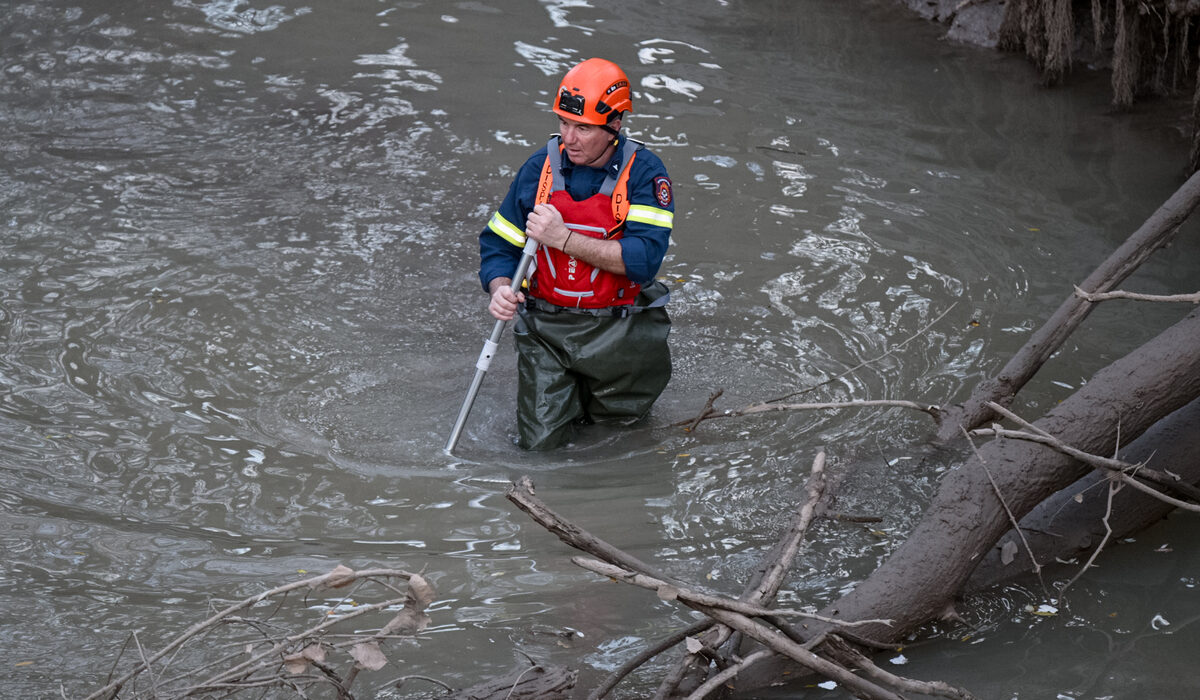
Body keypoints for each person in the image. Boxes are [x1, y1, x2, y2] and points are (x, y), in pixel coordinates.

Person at [478, 57, 676, 450]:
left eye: (583, 128)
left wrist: (562, 238)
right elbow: (499, 245)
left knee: (620, 440)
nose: (570, 138)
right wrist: (500, 288)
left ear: (614, 126)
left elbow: (643, 260)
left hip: (621, 333)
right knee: (540, 446)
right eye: (564, 124)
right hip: (546, 329)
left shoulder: (645, 174)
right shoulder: (540, 169)